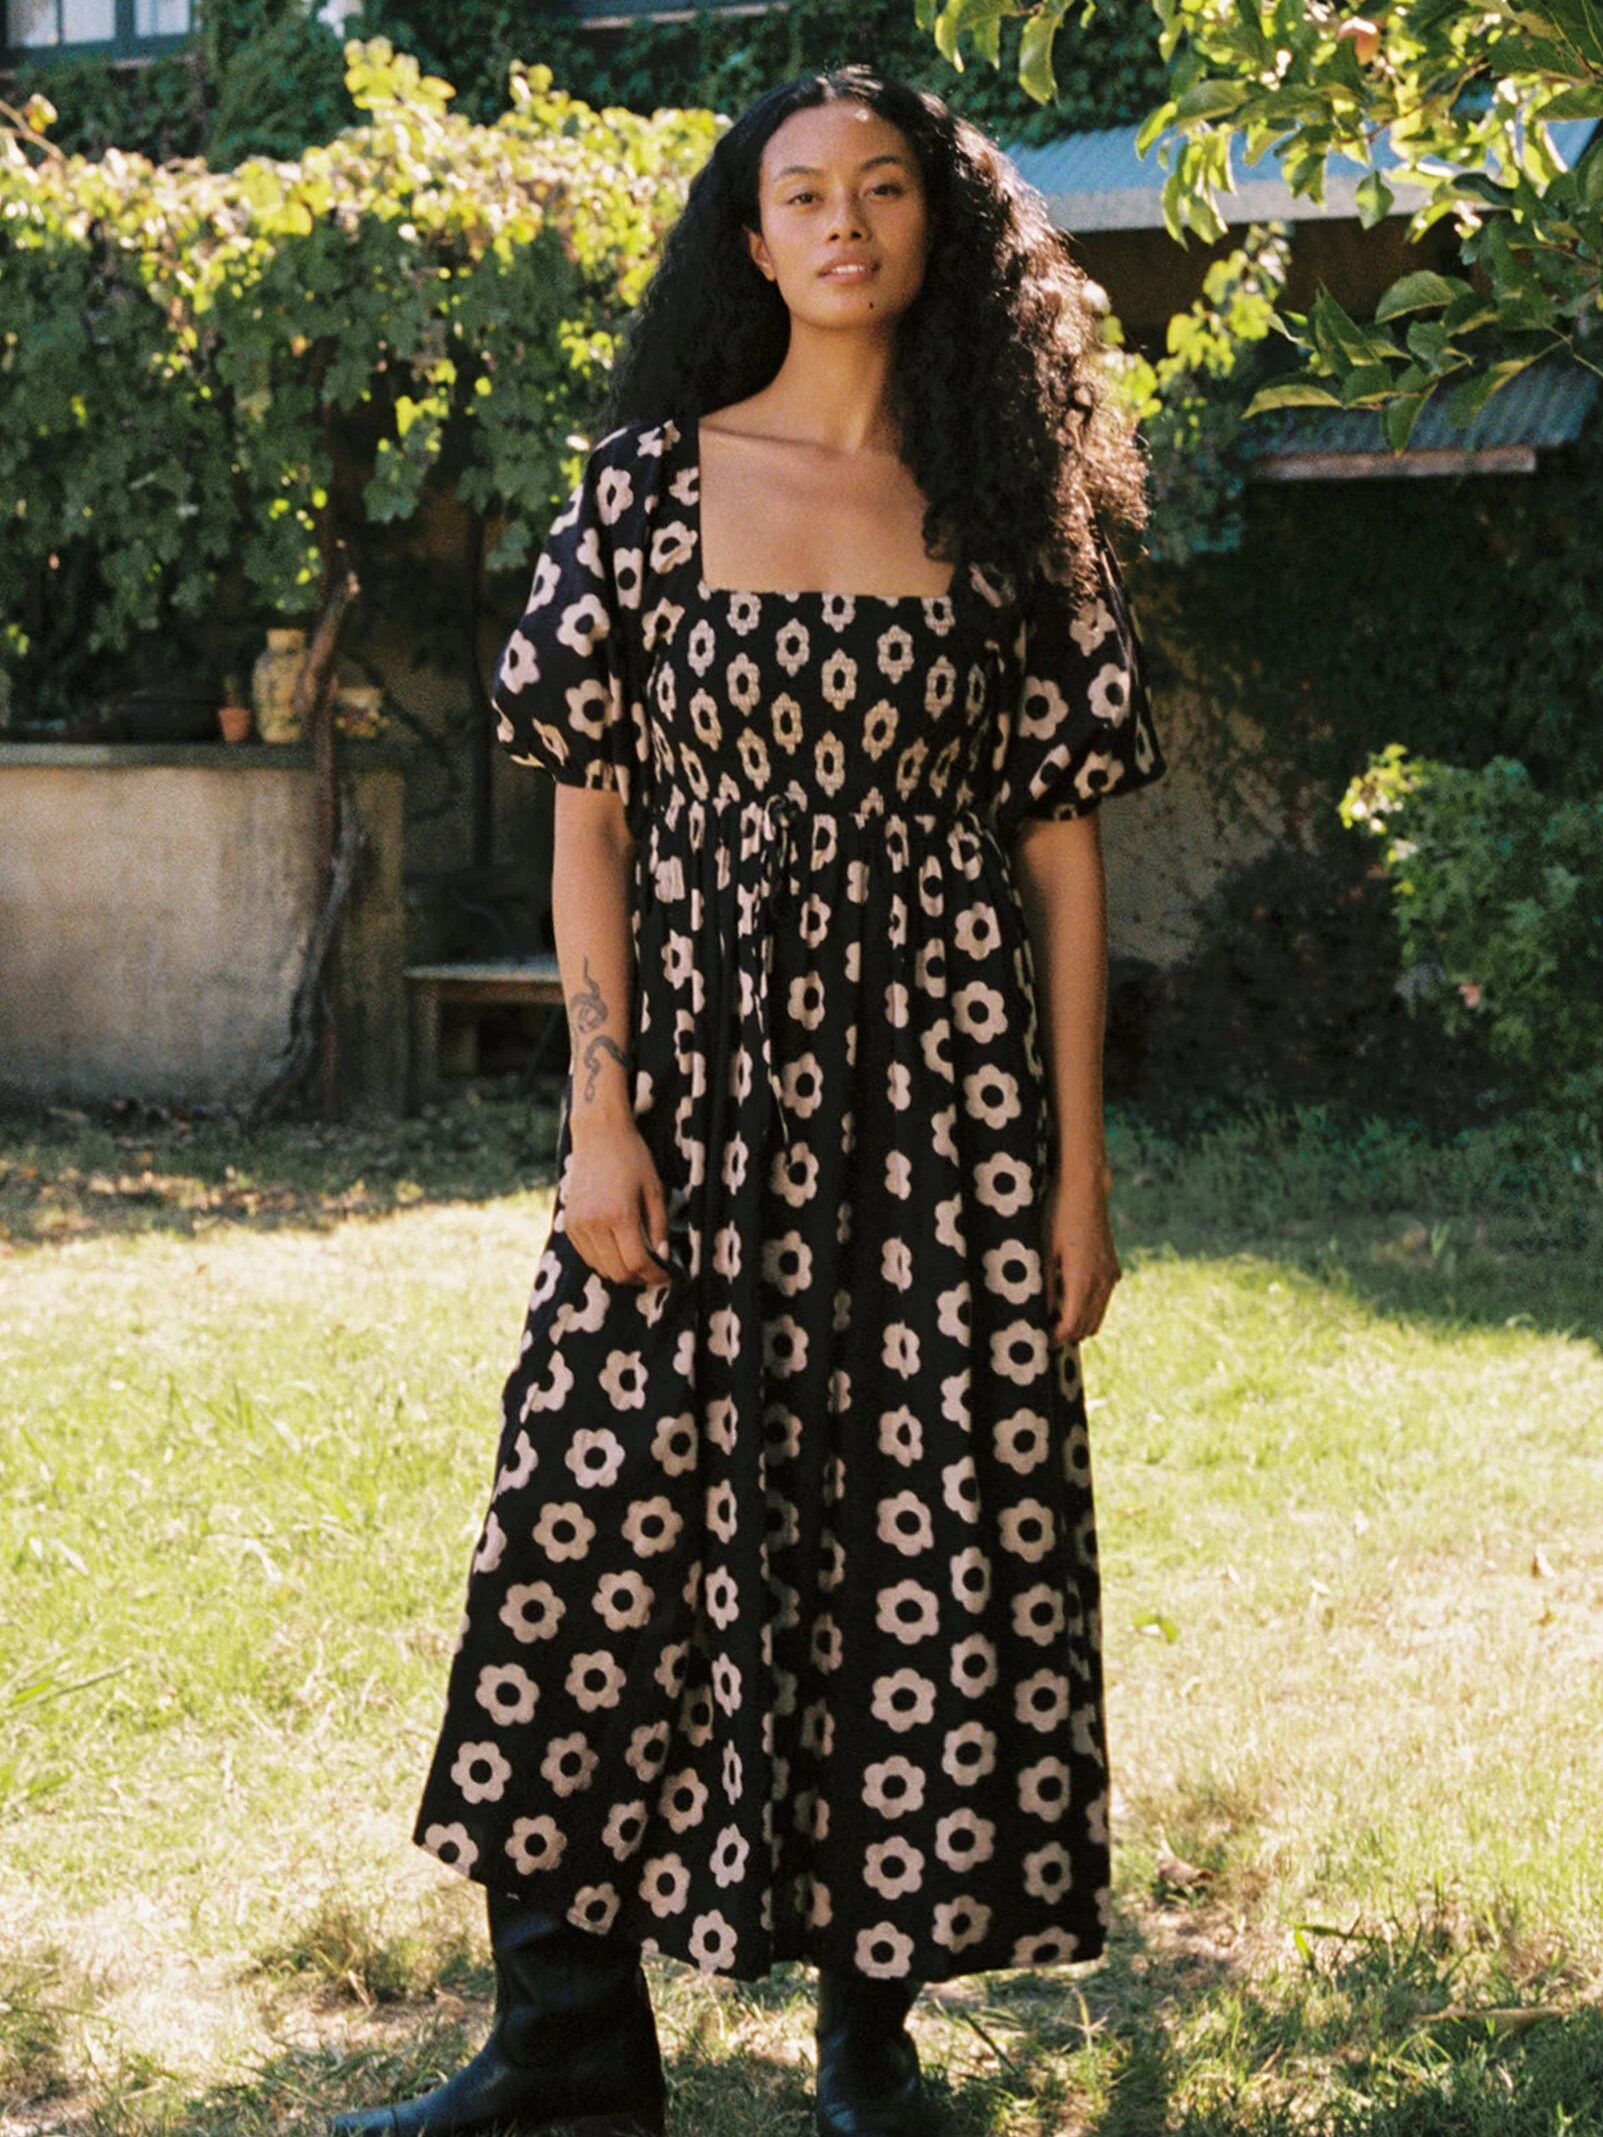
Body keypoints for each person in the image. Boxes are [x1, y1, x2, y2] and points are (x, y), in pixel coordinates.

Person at [331, 61, 1165, 2137]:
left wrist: (1076, 1168)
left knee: (917, 1542)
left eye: (885, 188)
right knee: (582, 1520)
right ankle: (567, 2044)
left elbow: (1063, 860)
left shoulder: (1011, 514)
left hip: (943, 1103)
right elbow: (587, 824)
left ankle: (867, 2047)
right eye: (800, 192)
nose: (843, 222)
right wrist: (594, 1114)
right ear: (748, 235)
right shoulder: (644, 485)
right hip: (689, 1094)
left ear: (938, 230)